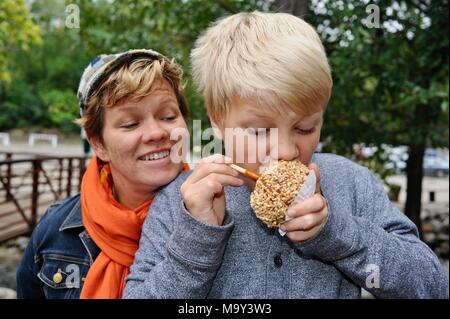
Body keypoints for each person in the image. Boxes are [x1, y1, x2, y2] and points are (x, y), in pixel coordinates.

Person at [124, 12, 448, 298]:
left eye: (305, 129)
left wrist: (334, 232)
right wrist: (199, 237)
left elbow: (432, 285)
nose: (286, 151)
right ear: (217, 120)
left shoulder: (351, 184)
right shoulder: (180, 201)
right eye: (260, 131)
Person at [16, 49, 189, 299]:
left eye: (168, 116)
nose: (156, 133)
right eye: (130, 123)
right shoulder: (55, 231)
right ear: (98, 144)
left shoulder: (219, 219)